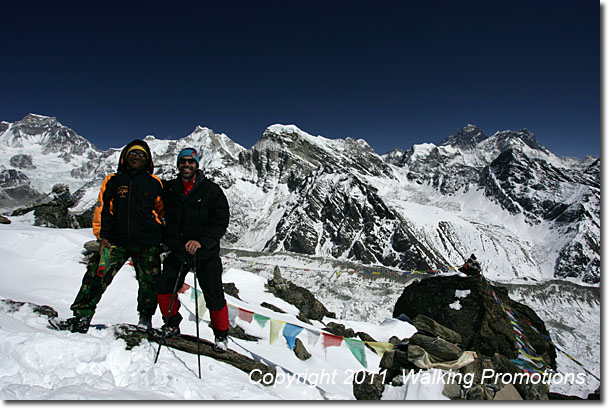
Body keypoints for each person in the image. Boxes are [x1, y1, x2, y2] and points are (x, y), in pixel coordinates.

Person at [53, 140, 164, 333]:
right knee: (97, 275)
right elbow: (103, 210)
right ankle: (81, 318)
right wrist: (102, 237)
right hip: (115, 241)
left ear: (148, 160)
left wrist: (162, 236)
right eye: (133, 153)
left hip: (147, 242)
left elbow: (162, 212)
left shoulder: (155, 183)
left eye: (142, 155)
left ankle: (145, 319)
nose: (137, 157)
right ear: (125, 157)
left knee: (150, 283)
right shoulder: (113, 180)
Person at [157, 147, 231, 353]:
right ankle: (171, 324)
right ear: (178, 164)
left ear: (197, 165)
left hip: (205, 253)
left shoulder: (212, 190)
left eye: (191, 162)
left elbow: (220, 221)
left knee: (214, 295)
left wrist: (201, 242)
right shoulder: (170, 189)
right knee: (164, 289)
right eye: (183, 161)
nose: (187, 165)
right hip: (178, 251)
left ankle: (221, 335)